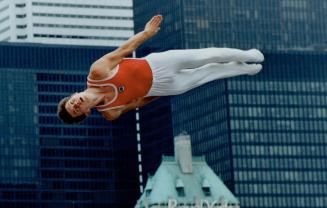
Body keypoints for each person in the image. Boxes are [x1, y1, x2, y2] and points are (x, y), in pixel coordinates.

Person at [57, 15, 264, 124]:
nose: (76, 104)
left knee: (206, 56)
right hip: (162, 86)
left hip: (158, 64)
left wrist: (147, 33)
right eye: (76, 109)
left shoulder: (97, 73)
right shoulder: (110, 112)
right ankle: (245, 69)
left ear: (75, 95)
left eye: (72, 102)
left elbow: (125, 49)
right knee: (207, 74)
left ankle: (247, 55)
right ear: (84, 113)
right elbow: (138, 102)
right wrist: (161, 92)